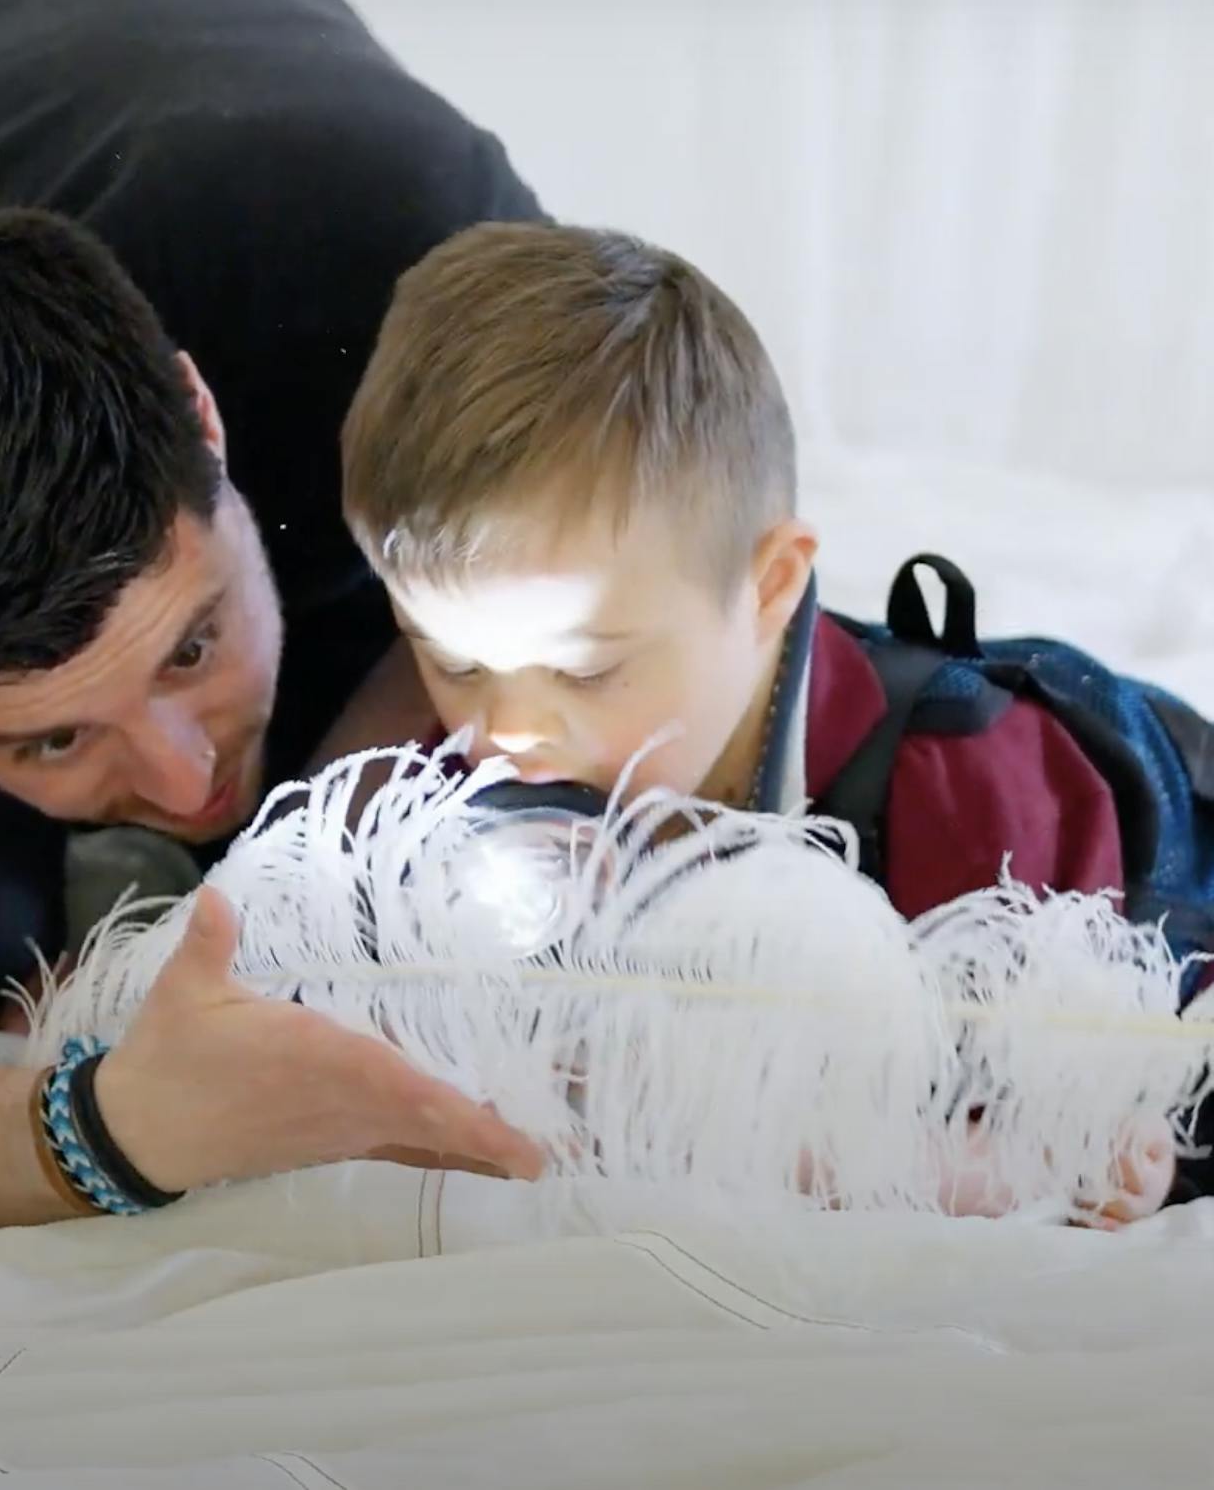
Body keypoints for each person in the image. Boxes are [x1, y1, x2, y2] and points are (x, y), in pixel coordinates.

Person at [0, 0, 548, 1235]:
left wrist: (276, 869)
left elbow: (579, 600)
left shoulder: (426, 270)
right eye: (50, 734)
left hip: (265, 126)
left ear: (201, 417)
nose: (184, 772)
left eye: (190, 649)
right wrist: (122, 1125)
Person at [339, 219, 1214, 1225]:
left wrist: (1097, 1161)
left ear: (769, 586)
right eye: (451, 657)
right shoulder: (457, 781)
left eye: (586, 667)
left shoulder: (972, 800)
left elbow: (1089, 1138)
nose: (508, 729)